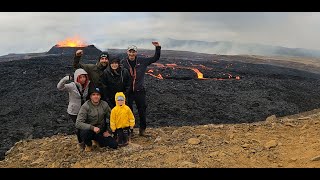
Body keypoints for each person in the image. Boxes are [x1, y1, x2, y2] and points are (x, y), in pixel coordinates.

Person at [121, 41, 161, 136]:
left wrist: (158, 48)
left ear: (136, 53)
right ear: (127, 52)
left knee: (142, 110)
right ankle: (130, 131)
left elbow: (155, 58)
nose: (131, 53)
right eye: (130, 52)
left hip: (140, 91)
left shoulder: (142, 61)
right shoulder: (123, 63)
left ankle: (142, 130)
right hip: (128, 92)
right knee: (128, 111)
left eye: (133, 52)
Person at [75, 86, 118, 151]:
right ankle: (88, 144)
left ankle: (97, 141)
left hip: (100, 130)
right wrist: (92, 128)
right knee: (84, 133)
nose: (96, 96)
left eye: (98, 94)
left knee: (114, 145)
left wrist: (109, 131)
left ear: (100, 96)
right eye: (93, 95)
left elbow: (113, 118)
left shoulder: (104, 104)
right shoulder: (85, 106)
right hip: (89, 130)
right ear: (90, 96)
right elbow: (78, 123)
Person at [57, 68, 90, 149]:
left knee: (84, 126)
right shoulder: (72, 86)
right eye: (80, 77)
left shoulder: (87, 85)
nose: (83, 79)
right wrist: (66, 78)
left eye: (84, 77)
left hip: (83, 110)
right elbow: (59, 87)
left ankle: (86, 141)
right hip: (74, 111)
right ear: (77, 78)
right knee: (79, 127)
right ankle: (81, 143)